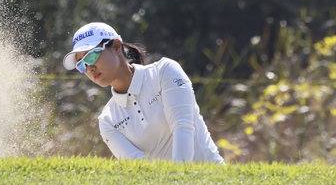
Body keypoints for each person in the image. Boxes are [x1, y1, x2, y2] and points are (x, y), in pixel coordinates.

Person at [63, 22, 224, 163]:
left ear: (117, 47)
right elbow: (141, 166)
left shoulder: (164, 72)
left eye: (91, 56)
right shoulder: (108, 121)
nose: (89, 68)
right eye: (81, 65)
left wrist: (178, 180)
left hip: (214, 183)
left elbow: (183, 127)